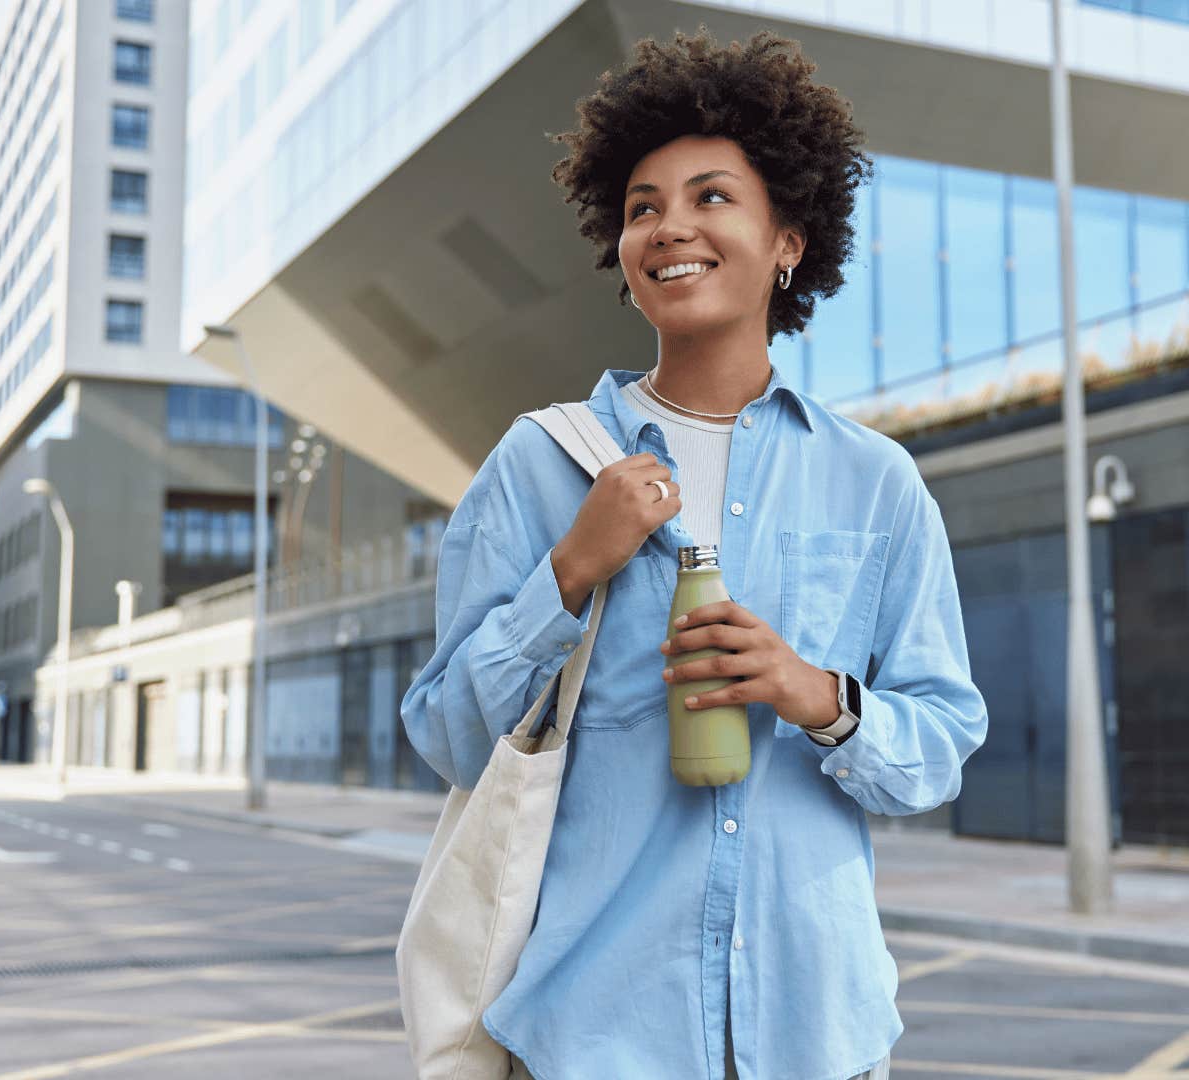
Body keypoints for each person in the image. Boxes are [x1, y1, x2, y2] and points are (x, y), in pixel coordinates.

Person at [398, 26, 988, 1080]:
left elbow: (939, 743)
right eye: (641, 208)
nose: (670, 226)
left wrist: (818, 696)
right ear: (622, 257)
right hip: (593, 1039)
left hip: (818, 1037)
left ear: (789, 240)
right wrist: (570, 573)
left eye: (711, 196)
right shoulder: (539, 465)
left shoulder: (875, 481)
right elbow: (445, 733)